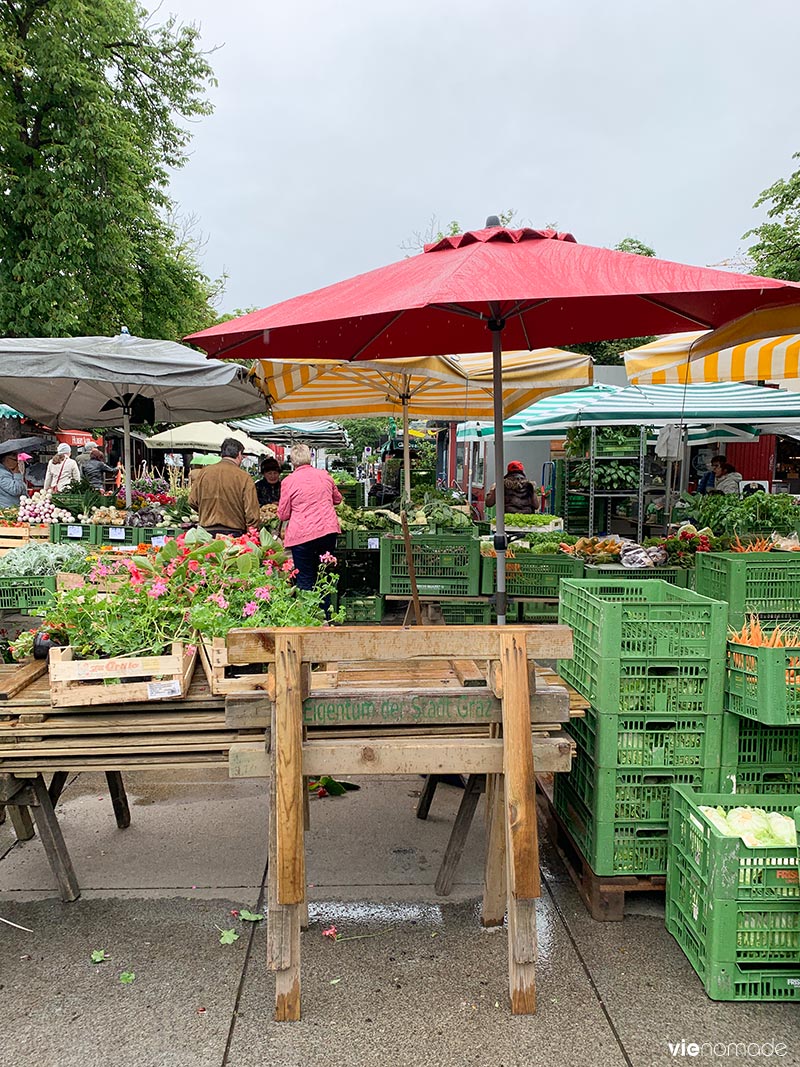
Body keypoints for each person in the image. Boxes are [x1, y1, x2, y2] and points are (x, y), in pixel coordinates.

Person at [277, 443, 342, 590]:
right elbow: (337, 499)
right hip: (327, 532)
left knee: (305, 578)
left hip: (302, 535)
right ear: (310, 458)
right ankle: (326, 612)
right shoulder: (324, 476)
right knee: (323, 576)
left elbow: (283, 514)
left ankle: (308, 612)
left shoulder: (288, 481)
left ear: (292, 461)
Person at [188, 436, 260, 537]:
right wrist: (252, 531)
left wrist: (206, 511)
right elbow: (251, 512)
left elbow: (192, 501)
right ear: (239, 454)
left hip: (206, 531)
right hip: (234, 532)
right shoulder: (244, 477)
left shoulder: (204, 473)